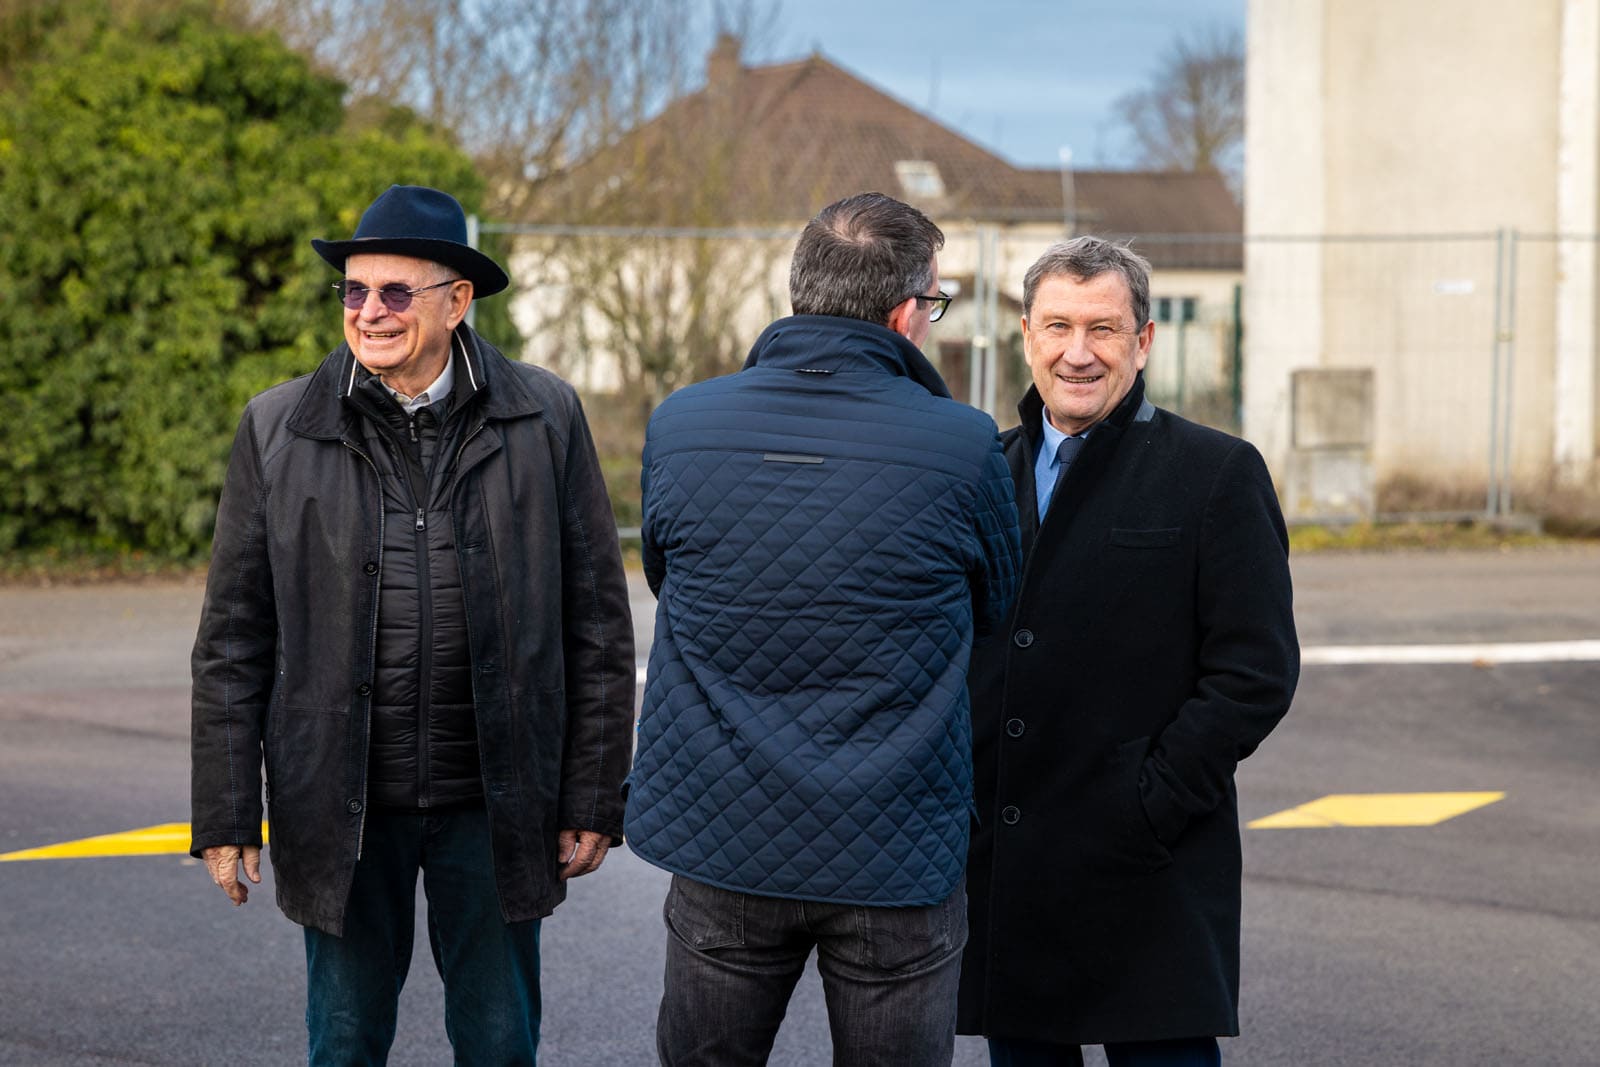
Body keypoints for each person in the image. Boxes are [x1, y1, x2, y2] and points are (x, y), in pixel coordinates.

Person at [189, 184, 634, 1065]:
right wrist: (227, 811)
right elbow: (233, 638)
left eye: (396, 292)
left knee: (500, 1041)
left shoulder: (545, 417)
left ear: (457, 300)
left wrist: (592, 793)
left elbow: (597, 622)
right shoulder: (278, 427)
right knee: (346, 1042)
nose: (370, 312)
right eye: (354, 291)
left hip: (495, 797)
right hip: (345, 801)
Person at [624, 191, 1021, 1066]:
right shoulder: (963, 446)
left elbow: (666, 575)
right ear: (903, 313)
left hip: (724, 833)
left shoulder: (682, 424)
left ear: (802, 290)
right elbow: (998, 606)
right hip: (898, 846)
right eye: (938, 302)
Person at [957, 237, 1300, 1067]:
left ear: (1143, 342)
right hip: (1014, 872)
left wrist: (1153, 796)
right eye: (1058, 326)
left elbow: (1255, 672)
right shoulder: (978, 472)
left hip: (1151, 866)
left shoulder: (1215, 472)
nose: (1079, 353)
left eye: (1104, 329)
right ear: (1027, 337)